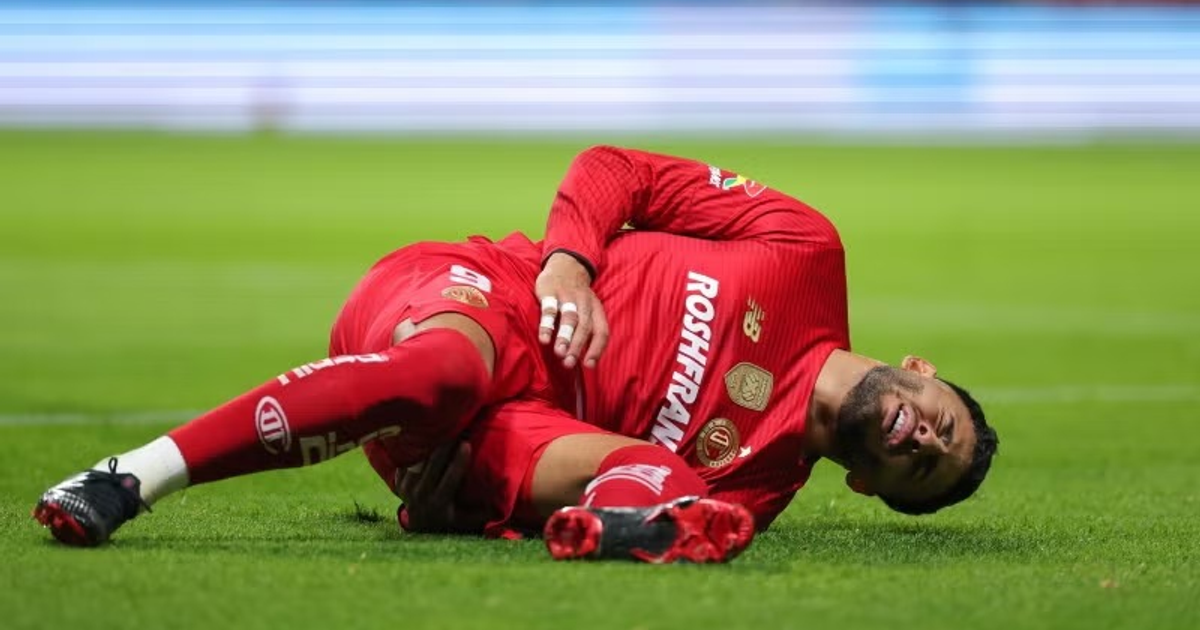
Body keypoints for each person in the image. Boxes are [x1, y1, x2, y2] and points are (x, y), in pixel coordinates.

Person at [33, 146, 999, 563]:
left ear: (871, 486)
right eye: (940, 423)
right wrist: (572, 266)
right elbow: (617, 171)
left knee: (665, 481)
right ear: (919, 370)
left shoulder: (753, 493)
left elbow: (540, 471)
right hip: (470, 302)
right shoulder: (804, 252)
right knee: (447, 374)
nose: (918, 438)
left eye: (919, 466)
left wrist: (460, 516)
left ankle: (608, 534)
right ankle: (131, 476)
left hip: (472, 446)